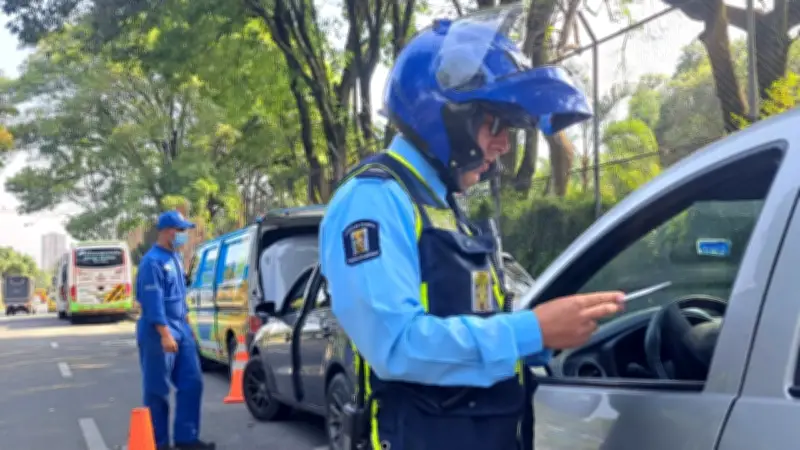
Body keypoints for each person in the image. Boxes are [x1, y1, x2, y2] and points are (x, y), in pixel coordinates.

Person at [319, 5, 625, 450]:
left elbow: (465, 321)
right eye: (495, 123)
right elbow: (397, 345)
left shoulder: (438, 202)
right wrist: (530, 330)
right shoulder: (374, 200)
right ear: (444, 114)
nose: (502, 145)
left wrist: (540, 338)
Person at [135, 210, 215, 450]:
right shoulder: (152, 262)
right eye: (180, 231)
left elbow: (179, 297)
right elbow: (153, 301)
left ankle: (186, 437)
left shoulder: (175, 259)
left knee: (192, 383)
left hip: (181, 327)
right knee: (157, 390)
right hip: (158, 331)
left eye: (184, 231)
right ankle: (159, 443)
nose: (183, 236)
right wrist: (165, 334)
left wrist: (187, 327)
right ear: (167, 231)